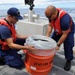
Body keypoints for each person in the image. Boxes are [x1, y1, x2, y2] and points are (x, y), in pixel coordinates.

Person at [45, 5, 74, 71]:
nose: (49, 18)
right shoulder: (50, 15)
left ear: (54, 13)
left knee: (68, 45)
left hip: (68, 31)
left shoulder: (64, 19)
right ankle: (51, 54)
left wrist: (58, 45)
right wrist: (46, 37)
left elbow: (65, 34)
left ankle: (68, 60)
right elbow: (50, 26)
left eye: (49, 17)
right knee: (51, 41)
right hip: (58, 29)